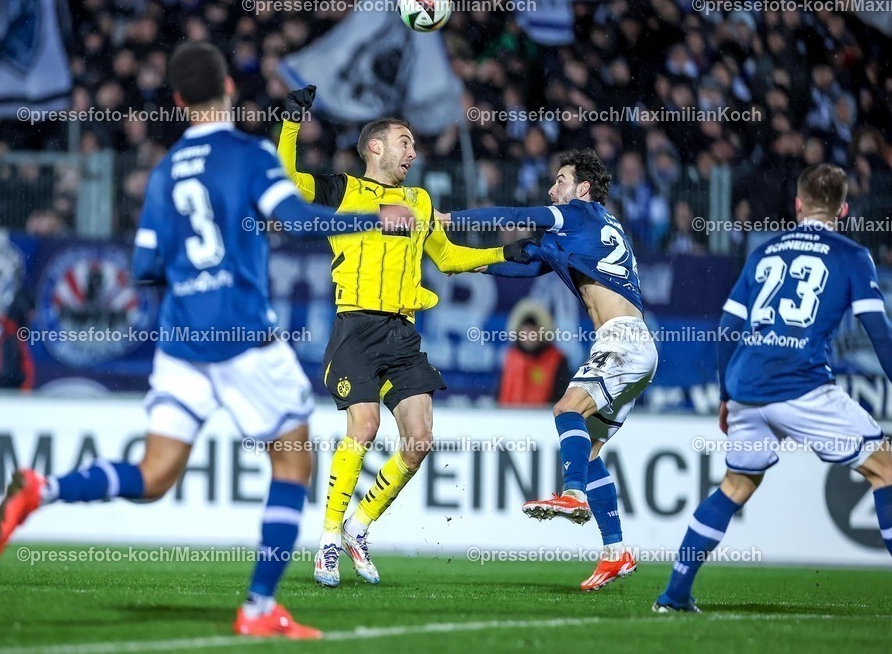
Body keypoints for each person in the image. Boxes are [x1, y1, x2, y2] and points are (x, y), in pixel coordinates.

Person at [0, 42, 413, 639]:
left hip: (183, 339)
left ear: (181, 101)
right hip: (242, 332)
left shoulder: (164, 172)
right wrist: (373, 218)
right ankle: (260, 607)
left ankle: (44, 487)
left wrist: (194, 274)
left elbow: (143, 266)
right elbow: (294, 220)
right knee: (293, 462)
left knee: (155, 474)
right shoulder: (248, 155)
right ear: (229, 93)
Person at [652, 164, 892, 620]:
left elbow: (728, 327)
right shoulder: (850, 255)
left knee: (735, 485)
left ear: (799, 205)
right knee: (886, 469)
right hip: (799, 383)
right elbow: (880, 333)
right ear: (843, 210)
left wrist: (727, 394)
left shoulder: (764, 251)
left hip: (747, 384)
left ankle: (673, 595)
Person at [277, 85, 530, 588]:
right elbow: (287, 181)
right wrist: (289, 123)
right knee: (364, 428)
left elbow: (450, 258)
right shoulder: (345, 191)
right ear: (375, 147)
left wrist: (504, 256)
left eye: (414, 146)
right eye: (404, 142)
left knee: (419, 442)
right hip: (355, 327)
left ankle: (358, 526)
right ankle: (327, 540)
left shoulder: (418, 200)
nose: (413, 153)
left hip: (402, 332)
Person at [439, 149, 658, 591]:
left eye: (560, 180)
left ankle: (572, 494)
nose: (551, 189)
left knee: (565, 410)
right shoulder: (589, 230)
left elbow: (519, 214)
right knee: (591, 452)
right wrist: (472, 261)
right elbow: (531, 263)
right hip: (633, 346)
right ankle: (616, 552)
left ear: (582, 188)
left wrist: (451, 219)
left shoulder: (578, 212)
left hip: (623, 342)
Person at [497, 300, 571, 407]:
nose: (529, 336)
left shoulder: (557, 360)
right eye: (525, 332)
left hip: (543, 420)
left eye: (533, 332)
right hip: (509, 419)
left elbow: (560, 399)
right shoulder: (510, 358)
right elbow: (499, 394)